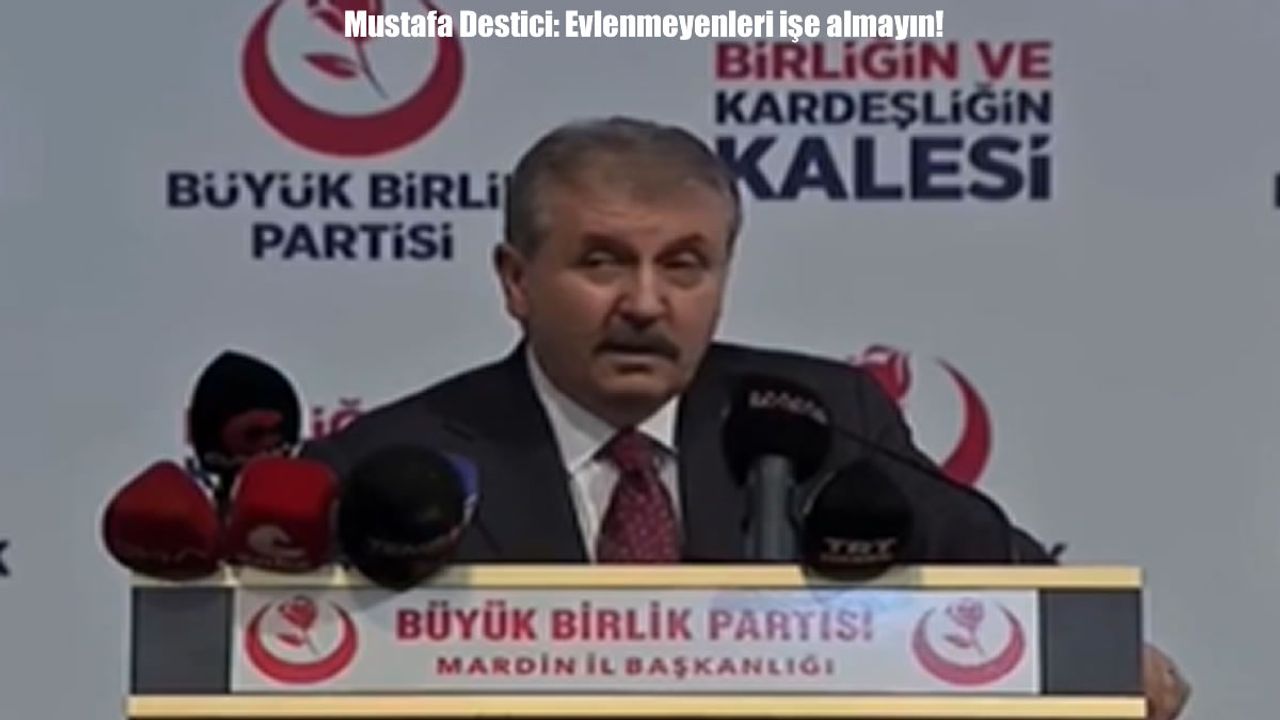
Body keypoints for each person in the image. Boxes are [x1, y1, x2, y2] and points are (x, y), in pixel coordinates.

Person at [303, 116, 1188, 719]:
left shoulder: (820, 418)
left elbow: (1021, 589)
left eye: (684, 265)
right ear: (516, 280)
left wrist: (1106, 658)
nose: (645, 303)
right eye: (602, 262)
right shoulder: (389, 461)